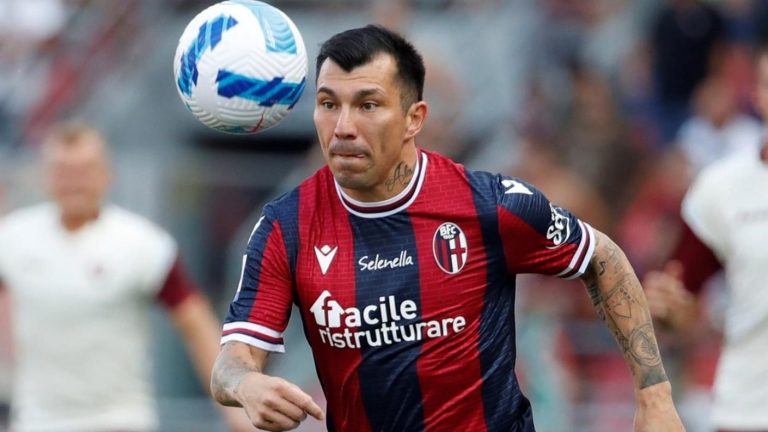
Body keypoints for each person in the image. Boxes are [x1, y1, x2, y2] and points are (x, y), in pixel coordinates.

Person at [211, 25, 684, 432]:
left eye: (368, 105)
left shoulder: (489, 206)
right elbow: (230, 363)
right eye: (328, 104)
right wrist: (246, 383)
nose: (343, 126)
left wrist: (654, 396)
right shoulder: (285, 227)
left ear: (414, 118)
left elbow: (601, 258)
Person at [0, 122, 251, 432]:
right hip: (38, 422)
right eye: (63, 171)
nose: (73, 182)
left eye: (84, 170)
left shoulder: (143, 244)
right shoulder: (13, 239)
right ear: (46, 176)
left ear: (107, 174)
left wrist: (233, 405)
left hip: (118, 420)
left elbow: (195, 321)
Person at [644, 45, 768, 432]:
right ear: (758, 95)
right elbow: (679, 302)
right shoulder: (721, 188)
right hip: (750, 411)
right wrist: (665, 306)